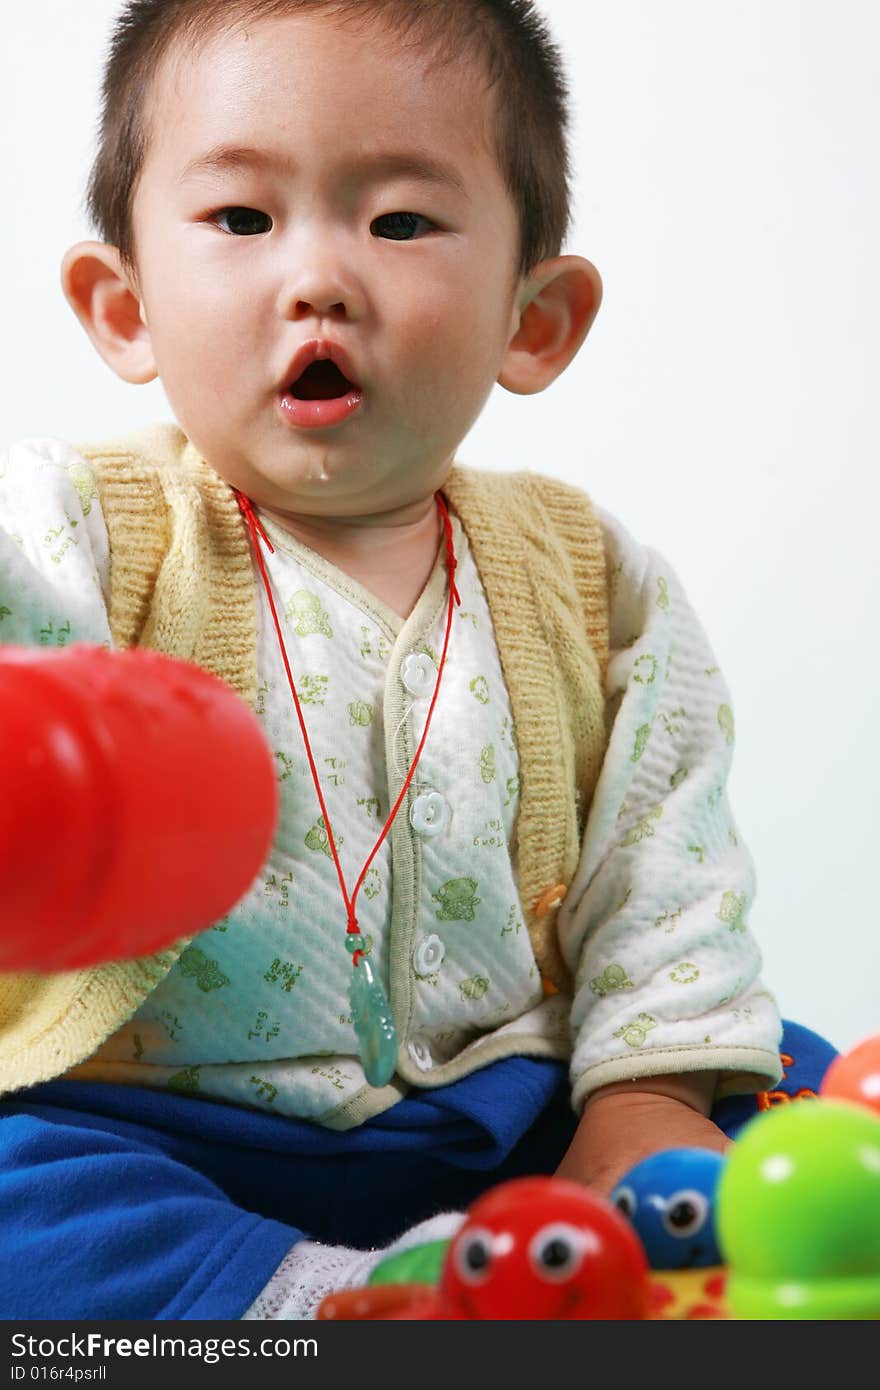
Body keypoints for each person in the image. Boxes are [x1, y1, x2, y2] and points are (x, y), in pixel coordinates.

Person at [0, 0, 783, 1320]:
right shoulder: (79, 528)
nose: (318, 276)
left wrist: (641, 1099)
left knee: (786, 1081)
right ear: (122, 306)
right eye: (243, 220)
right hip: (165, 1121)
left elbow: (667, 867)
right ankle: (313, 1296)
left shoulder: (593, 580)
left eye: (400, 221)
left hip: (509, 1111)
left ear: (533, 318)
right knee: (25, 1187)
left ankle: (528, 1244)